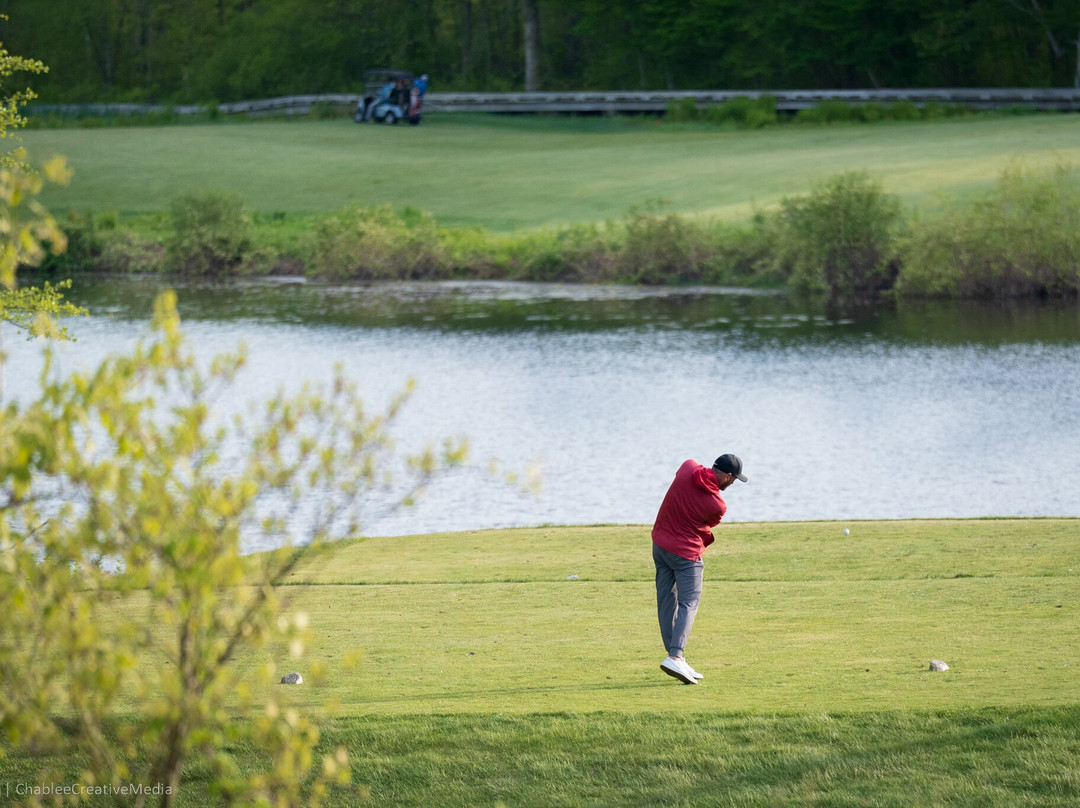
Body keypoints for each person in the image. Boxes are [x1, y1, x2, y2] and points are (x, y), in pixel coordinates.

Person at [651, 453, 746, 684]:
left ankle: (676, 659)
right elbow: (710, 522)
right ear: (726, 475)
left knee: (666, 601)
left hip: (660, 545)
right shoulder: (717, 504)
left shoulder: (687, 466)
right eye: (733, 479)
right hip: (685, 555)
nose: (733, 484)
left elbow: (688, 475)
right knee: (688, 603)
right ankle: (675, 655)